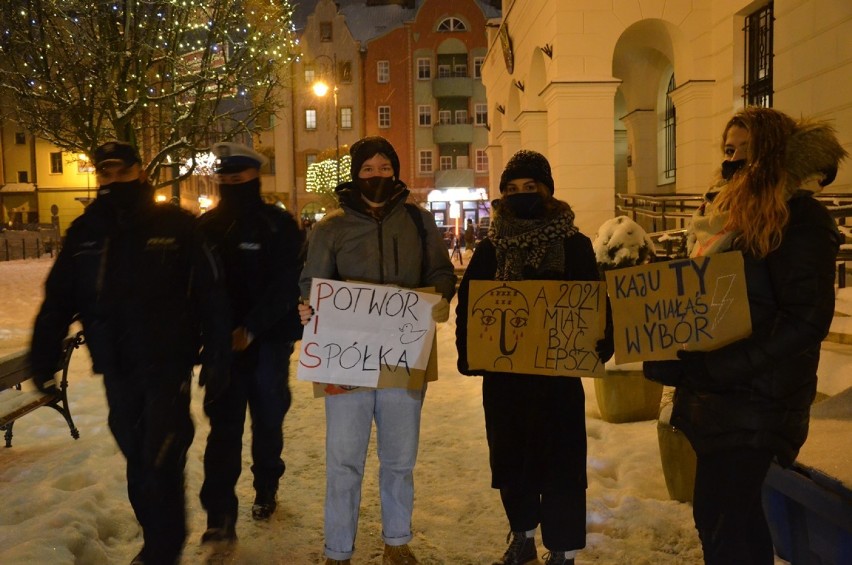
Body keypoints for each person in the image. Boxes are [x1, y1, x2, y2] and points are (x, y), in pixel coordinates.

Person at [643, 107, 847, 565]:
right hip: (719, 399)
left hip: (760, 401)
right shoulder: (723, 220)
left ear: (772, 153)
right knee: (718, 519)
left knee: (729, 523)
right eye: (728, 150)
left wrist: (718, 366)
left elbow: (804, 320)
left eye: (745, 151)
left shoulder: (800, 219)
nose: (733, 160)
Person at [29, 140, 232, 565]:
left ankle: (162, 549)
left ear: (141, 171)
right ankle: (157, 536)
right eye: (105, 173)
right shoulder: (86, 232)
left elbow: (212, 294)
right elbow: (58, 299)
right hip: (115, 364)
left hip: (167, 361)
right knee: (137, 456)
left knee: (162, 452)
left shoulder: (175, 225)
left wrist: (216, 354)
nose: (113, 179)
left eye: (122, 171)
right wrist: (43, 358)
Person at [298, 136, 456, 565]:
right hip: (345, 356)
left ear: (396, 171)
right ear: (356, 174)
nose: (377, 176)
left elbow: (441, 270)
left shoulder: (419, 222)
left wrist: (441, 294)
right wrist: (309, 303)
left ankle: (397, 540)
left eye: (384, 168)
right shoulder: (331, 228)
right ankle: (338, 548)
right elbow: (311, 280)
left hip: (402, 357)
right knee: (344, 457)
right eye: (368, 169)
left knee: (400, 457)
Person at [455, 150, 613, 565]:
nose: (521, 195)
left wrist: (601, 342)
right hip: (506, 382)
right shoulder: (492, 248)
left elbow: (597, 304)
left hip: (557, 383)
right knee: (513, 462)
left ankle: (562, 550)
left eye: (529, 187)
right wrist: (469, 352)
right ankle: (522, 535)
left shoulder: (574, 245)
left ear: (546, 191)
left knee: (561, 469)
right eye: (511, 189)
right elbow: (469, 302)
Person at [196, 142, 305, 544]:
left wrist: (251, 329)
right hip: (221, 347)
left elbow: (284, 285)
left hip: (268, 343)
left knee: (267, 420)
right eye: (223, 180)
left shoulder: (277, 225)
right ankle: (220, 515)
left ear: (254, 178)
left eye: (236, 180)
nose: (229, 186)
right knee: (223, 429)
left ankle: (266, 486)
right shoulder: (205, 228)